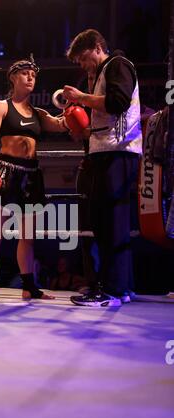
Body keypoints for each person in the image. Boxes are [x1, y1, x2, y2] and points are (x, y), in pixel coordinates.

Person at [0, 56, 82, 303]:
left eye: (33, 74)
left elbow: (63, 125)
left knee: (28, 237)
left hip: (32, 175)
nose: (31, 77)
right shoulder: (1, 106)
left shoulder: (38, 113)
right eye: (25, 73)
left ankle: (29, 288)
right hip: (6, 172)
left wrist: (74, 107)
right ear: (13, 78)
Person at [63, 29, 142, 307]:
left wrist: (82, 98)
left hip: (117, 153)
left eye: (84, 58)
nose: (83, 65)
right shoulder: (103, 72)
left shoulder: (117, 65)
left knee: (112, 223)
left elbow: (117, 104)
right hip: (107, 153)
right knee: (107, 222)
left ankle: (113, 290)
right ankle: (122, 287)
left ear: (98, 47)